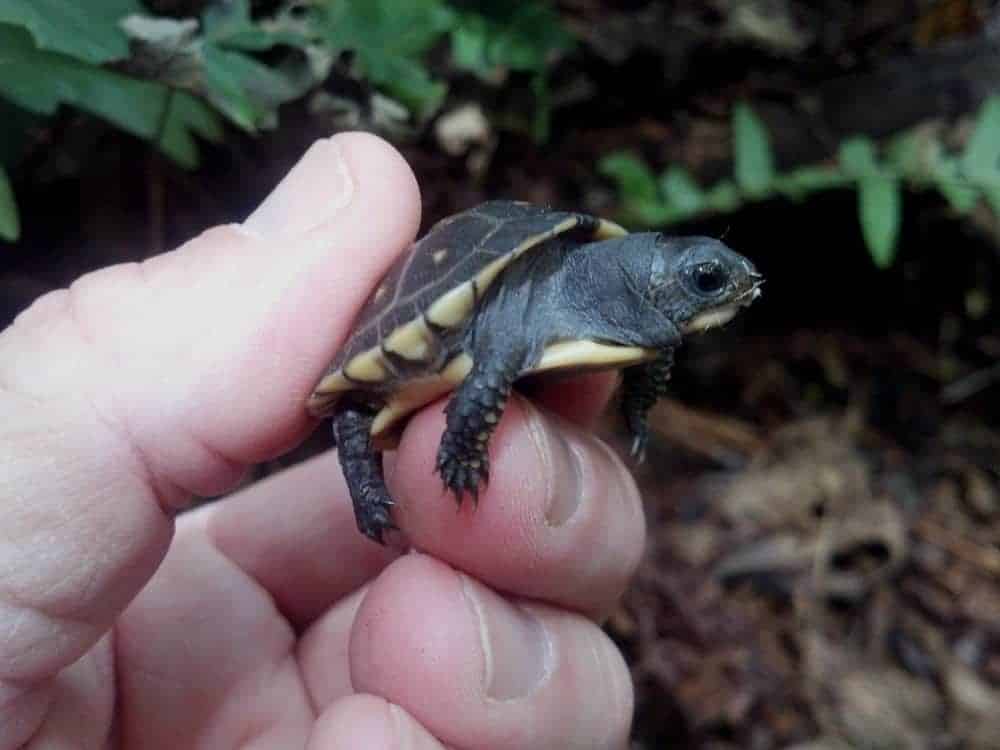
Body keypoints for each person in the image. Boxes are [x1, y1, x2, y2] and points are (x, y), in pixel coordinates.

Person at [0, 133, 644, 749]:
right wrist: (462, 450)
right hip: (437, 340)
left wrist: (639, 395)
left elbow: (645, 333)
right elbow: (492, 363)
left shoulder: (628, 314)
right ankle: (386, 479)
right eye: (694, 280)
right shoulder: (535, 286)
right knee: (371, 411)